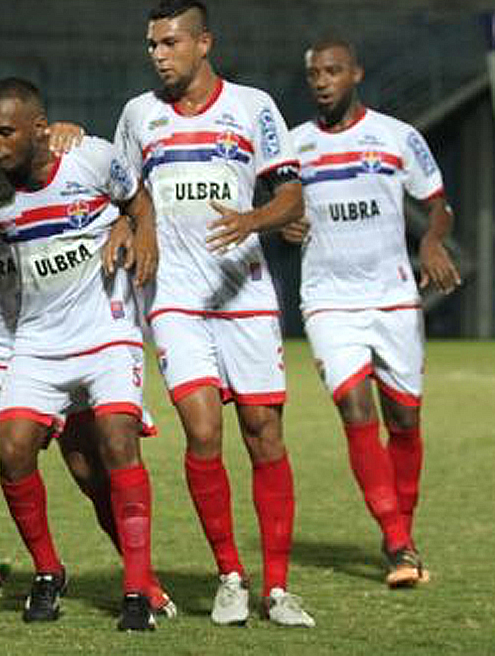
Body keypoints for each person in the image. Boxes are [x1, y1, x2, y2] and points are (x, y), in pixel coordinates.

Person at [0, 74, 173, 616]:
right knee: (13, 449)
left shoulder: (89, 158)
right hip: (37, 340)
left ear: (41, 130)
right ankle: (47, 570)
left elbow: (137, 200)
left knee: (112, 447)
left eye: (3, 133)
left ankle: (139, 587)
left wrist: (140, 231)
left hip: (105, 333)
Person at [113, 0, 312, 626]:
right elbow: (123, 189)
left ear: (204, 44)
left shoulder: (252, 107)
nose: (158, 55)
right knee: (202, 433)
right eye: (152, 44)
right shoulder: (138, 115)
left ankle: (278, 589)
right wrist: (135, 225)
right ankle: (231, 574)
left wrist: (254, 220)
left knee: (264, 435)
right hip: (173, 298)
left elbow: (291, 194)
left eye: (170, 43)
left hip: (245, 292)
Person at [287, 38, 460, 587]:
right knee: (356, 413)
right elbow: (278, 208)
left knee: (404, 420)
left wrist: (432, 242)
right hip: (328, 299)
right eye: (315, 72)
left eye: (333, 71)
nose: (322, 80)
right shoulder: (294, 148)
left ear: (356, 74)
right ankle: (395, 538)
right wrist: (284, 224)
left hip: (393, 298)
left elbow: (438, 204)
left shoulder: (396, 136)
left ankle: (403, 538)